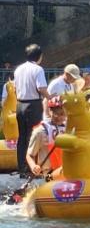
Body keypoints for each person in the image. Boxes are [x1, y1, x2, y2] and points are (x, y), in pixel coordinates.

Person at [14, 44, 50, 178]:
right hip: (33, 105)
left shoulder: (18, 69)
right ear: (39, 56)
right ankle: (31, 169)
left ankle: (22, 168)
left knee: (22, 137)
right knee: (33, 136)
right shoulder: (38, 69)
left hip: (20, 105)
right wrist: (50, 98)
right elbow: (41, 88)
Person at [25, 96, 66, 181]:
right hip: (50, 174)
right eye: (55, 113)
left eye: (62, 114)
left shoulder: (69, 130)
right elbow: (30, 155)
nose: (58, 116)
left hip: (66, 171)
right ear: (50, 111)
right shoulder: (40, 131)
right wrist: (34, 166)